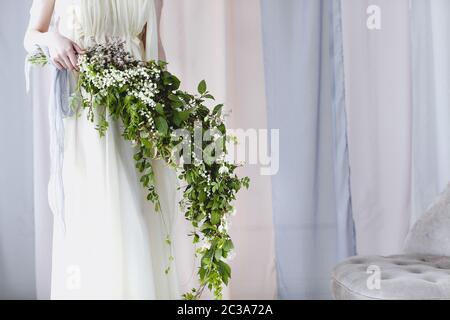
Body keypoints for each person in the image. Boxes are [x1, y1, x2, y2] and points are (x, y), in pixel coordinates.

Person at [24, 0, 180, 300]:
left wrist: (169, 111)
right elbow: (31, 35)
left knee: (137, 211)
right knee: (98, 214)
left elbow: (153, 45)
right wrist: (50, 39)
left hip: (136, 111)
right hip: (88, 112)